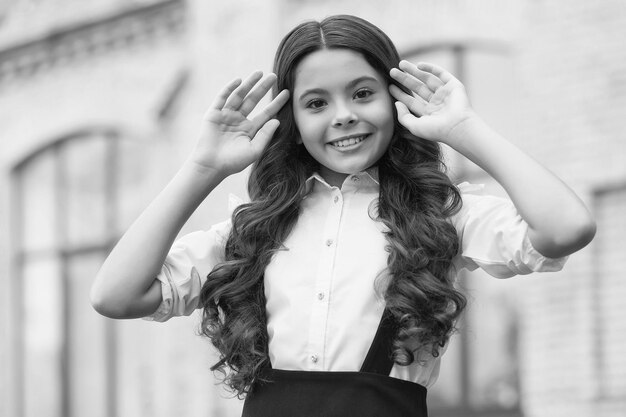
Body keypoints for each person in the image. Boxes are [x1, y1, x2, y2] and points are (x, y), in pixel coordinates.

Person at [90, 14, 596, 417]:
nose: (343, 115)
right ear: (293, 120)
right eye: (316, 102)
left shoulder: (440, 214)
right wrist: (202, 168)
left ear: (393, 100)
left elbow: (566, 228)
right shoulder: (254, 228)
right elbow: (115, 295)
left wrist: (462, 128)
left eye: (361, 93)